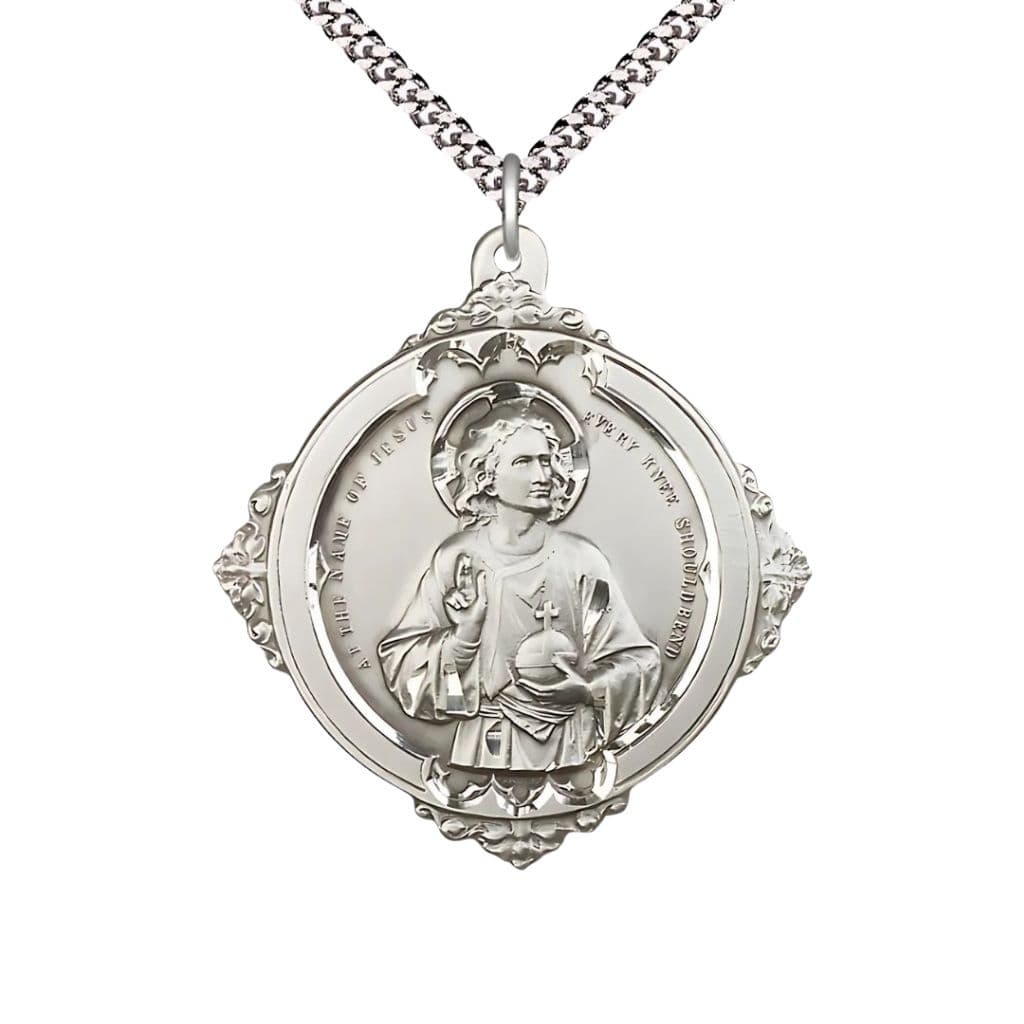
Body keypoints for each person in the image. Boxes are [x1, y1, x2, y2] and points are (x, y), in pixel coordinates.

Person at [378, 398, 661, 773]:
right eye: (523, 462)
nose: (542, 474)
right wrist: (464, 637)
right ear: (487, 474)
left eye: (546, 460)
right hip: (484, 743)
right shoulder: (458, 559)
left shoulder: (580, 560)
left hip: (570, 744)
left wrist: (588, 689)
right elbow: (406, 667)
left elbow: (640, 662)